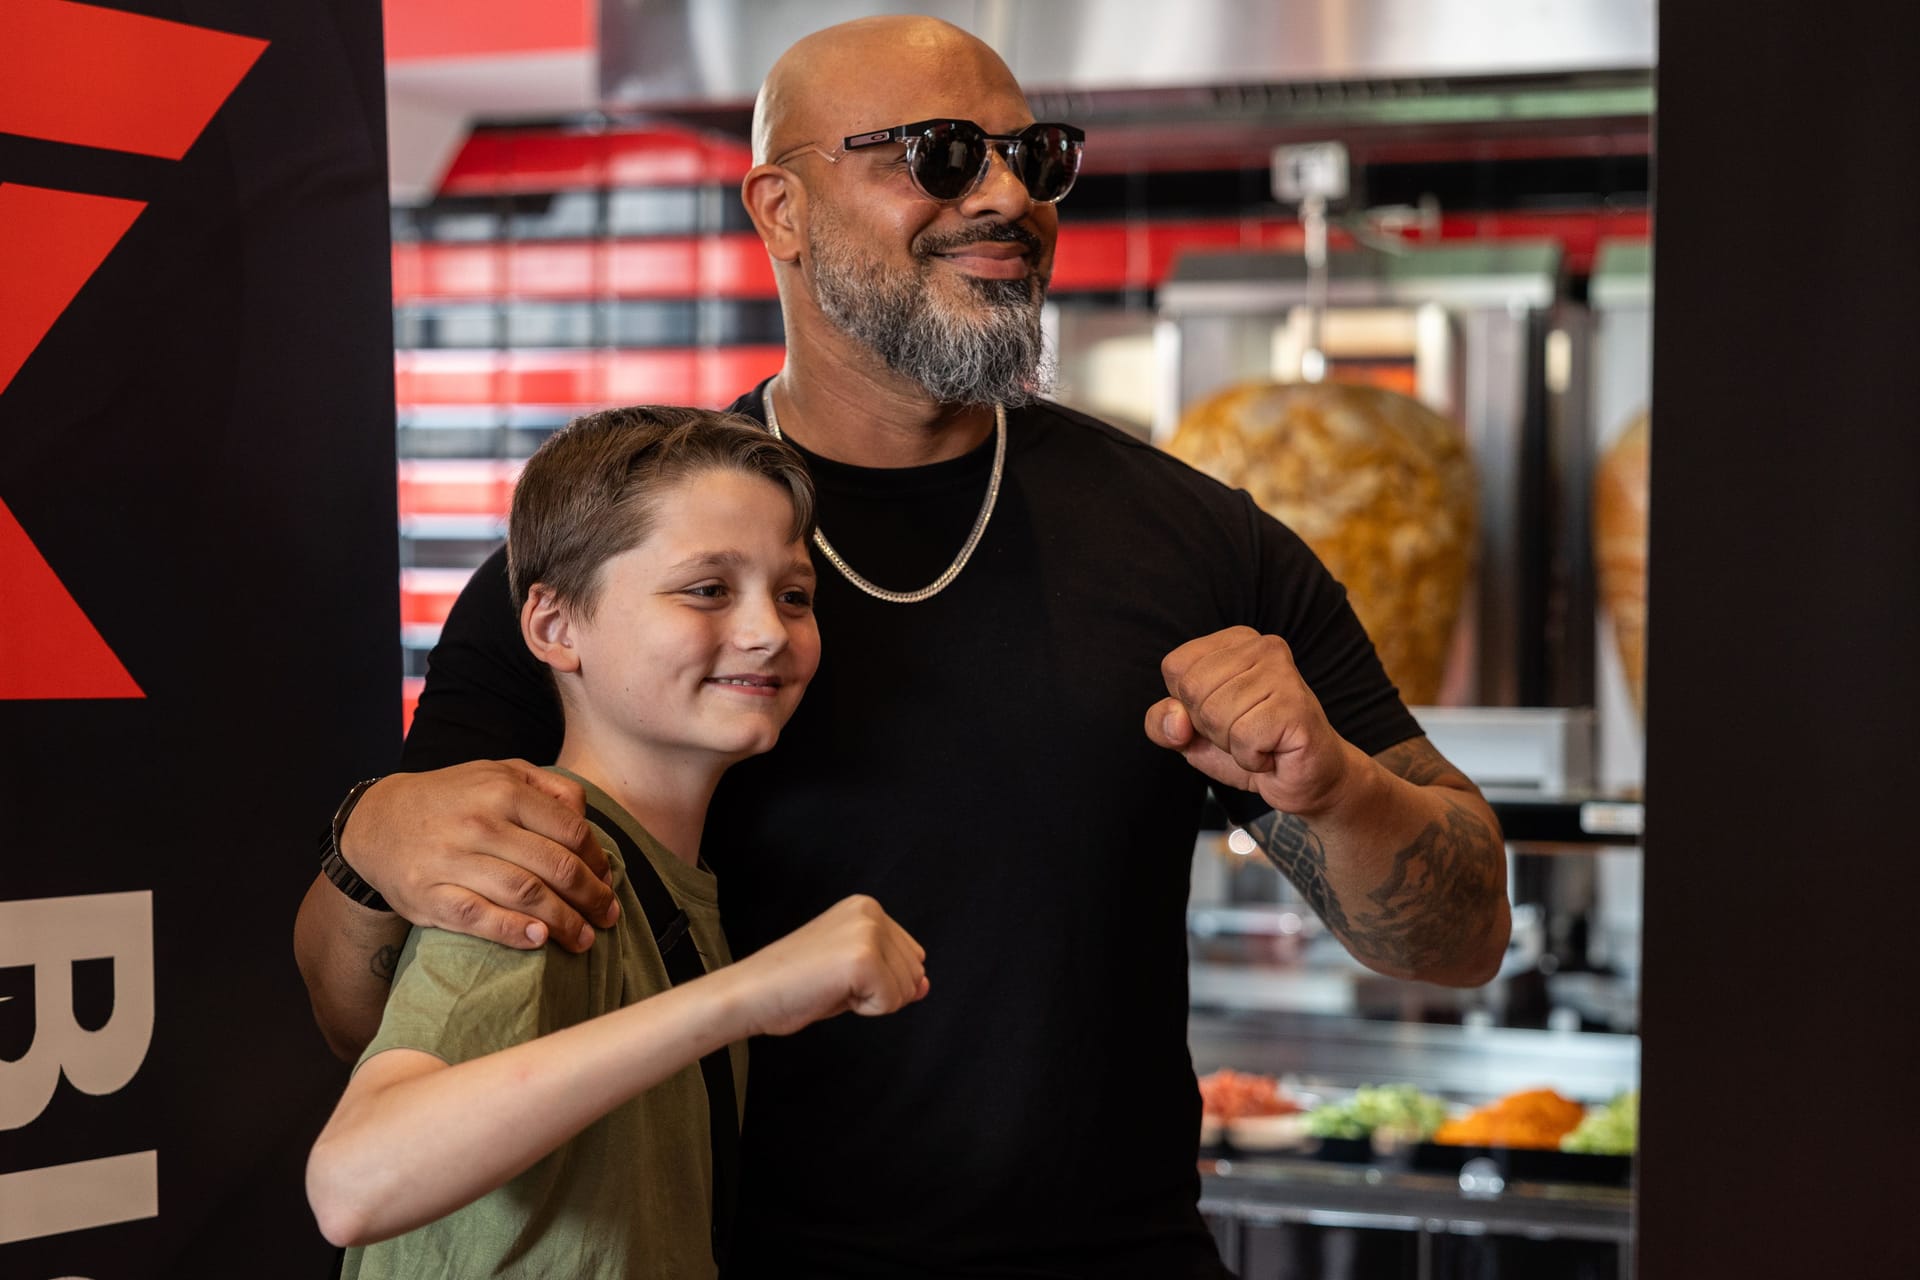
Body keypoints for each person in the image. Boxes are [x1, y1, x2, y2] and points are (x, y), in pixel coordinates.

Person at [294, 15, 1511, 1277]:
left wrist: (1338, 789)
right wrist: (369, 839)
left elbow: (1461, 938)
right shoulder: (612, 575)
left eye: (1034, 158)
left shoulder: (1201, 545)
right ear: (782, 207)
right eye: (937, 155)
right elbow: (356, 1021)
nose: (1004, 197)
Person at [304, 406, 928, 1278]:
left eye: (794, 595)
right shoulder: (540, 870)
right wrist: (752, 994)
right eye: (707, 589)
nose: (768, 631)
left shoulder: (669, 879)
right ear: (556, 629)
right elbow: (352, 1181)